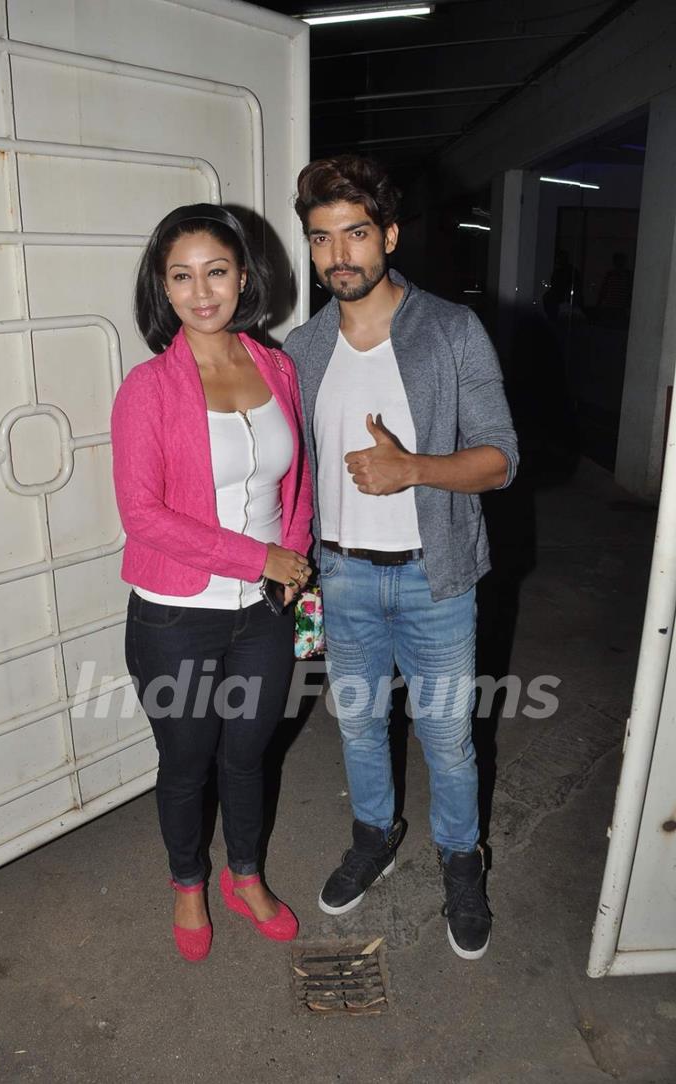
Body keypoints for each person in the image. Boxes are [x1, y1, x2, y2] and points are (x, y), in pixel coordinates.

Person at [284, 156, 518, 960]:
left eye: (354, 233)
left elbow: (501, 459)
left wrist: (413, 468)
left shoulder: (451, 330)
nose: (337, 254)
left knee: (447, 737)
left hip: (434, 576)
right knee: (357, 727)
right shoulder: (303, 346)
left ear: (387, 234)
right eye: (321, 239)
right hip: (342, 577)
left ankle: (461, 861)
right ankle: (374, 837)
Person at [111, 204, 312, 962]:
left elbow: (298, 484)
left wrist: (288, 558)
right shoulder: (149, 389)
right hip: (175, 616)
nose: (202, 292)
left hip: (262, 614)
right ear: (162, 289)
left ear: (244, 277)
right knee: (189, 760)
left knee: (250, 754)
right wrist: (260, 559)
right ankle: (189, 885)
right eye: (181, 276)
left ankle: (247, 875)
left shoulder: (275, 366)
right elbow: (144, 515)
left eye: (216, 271)